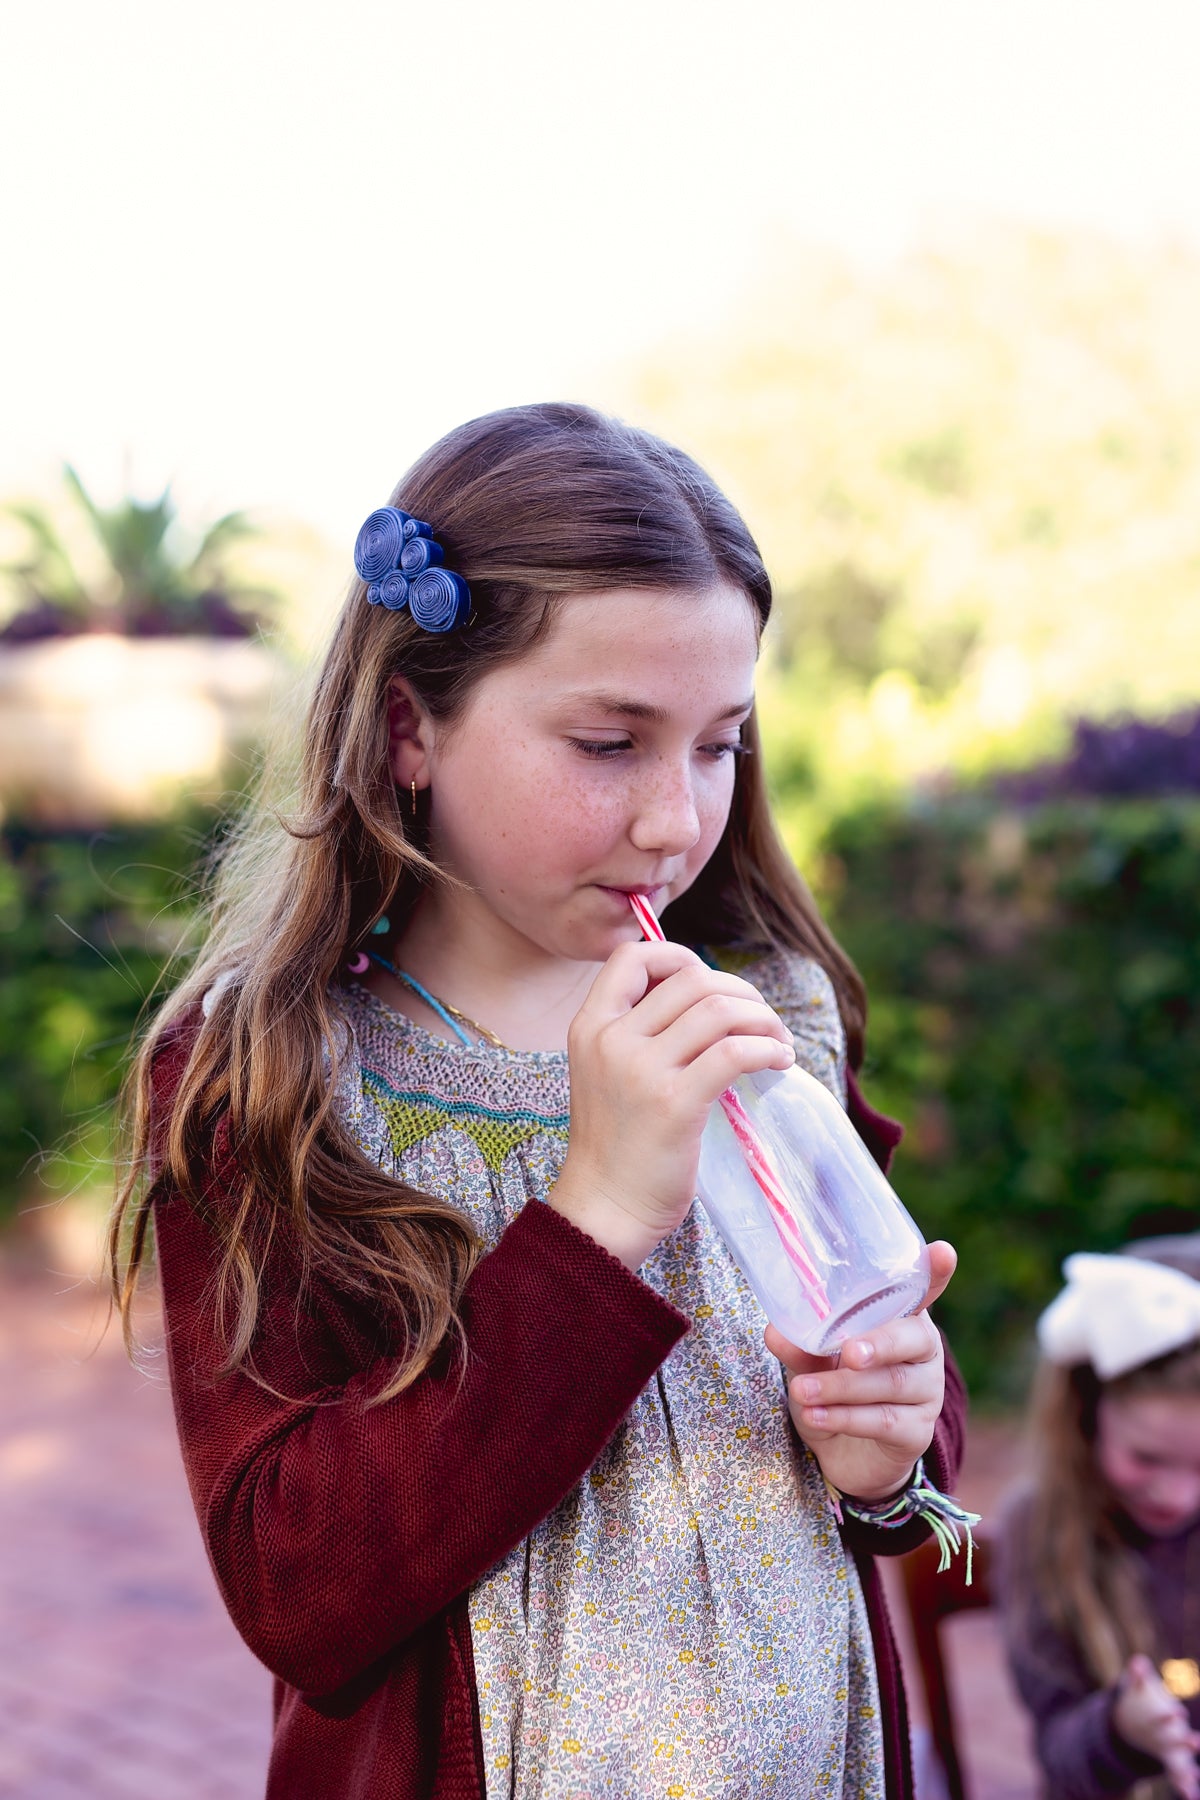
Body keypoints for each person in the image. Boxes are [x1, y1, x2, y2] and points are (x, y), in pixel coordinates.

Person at [110, 402, 967, 1800]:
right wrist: (598, 1219)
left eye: (719, 744)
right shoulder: (274, 1078)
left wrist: (891, 1454)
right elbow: (296, 1593)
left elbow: (902, 1432)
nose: (677, 820)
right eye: (609, 742)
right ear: (410, 728)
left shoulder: (773, 1020)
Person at [1001, 1239, 1200, 1800]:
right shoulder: (1041, 1531)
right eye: (1147, 1458)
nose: (1180, 1496)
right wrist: (1121, 1730)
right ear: (1087, 1415)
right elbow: (1059, 1756)